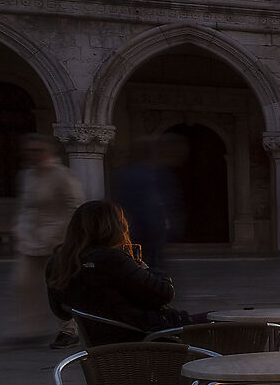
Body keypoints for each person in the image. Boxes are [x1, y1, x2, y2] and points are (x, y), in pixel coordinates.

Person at [47, 200, 188, 339]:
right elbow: (164, 293)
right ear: (113, 227)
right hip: (144, 342)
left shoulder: (57, 263)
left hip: (100, 346)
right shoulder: (113, 260)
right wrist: (147, 270)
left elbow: (61, 312)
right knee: (208, 323)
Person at [12, 136, 84, 346]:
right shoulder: (27, 175)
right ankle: (29, 329)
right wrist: (19, 226)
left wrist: (66, 236)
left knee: (58, 286)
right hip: (30, 239)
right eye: (29, 150)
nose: (32, 155)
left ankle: (69, 331)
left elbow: (75, 205)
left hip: (56, 240)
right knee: (23, 283)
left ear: (48, 151)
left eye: (37, 150)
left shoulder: (62, 175)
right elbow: (26, 205)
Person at [113, 133, 186, 272]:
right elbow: (152, 208)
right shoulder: (152, 175)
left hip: (129, 233)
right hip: (147, 235)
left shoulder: (123, 174)